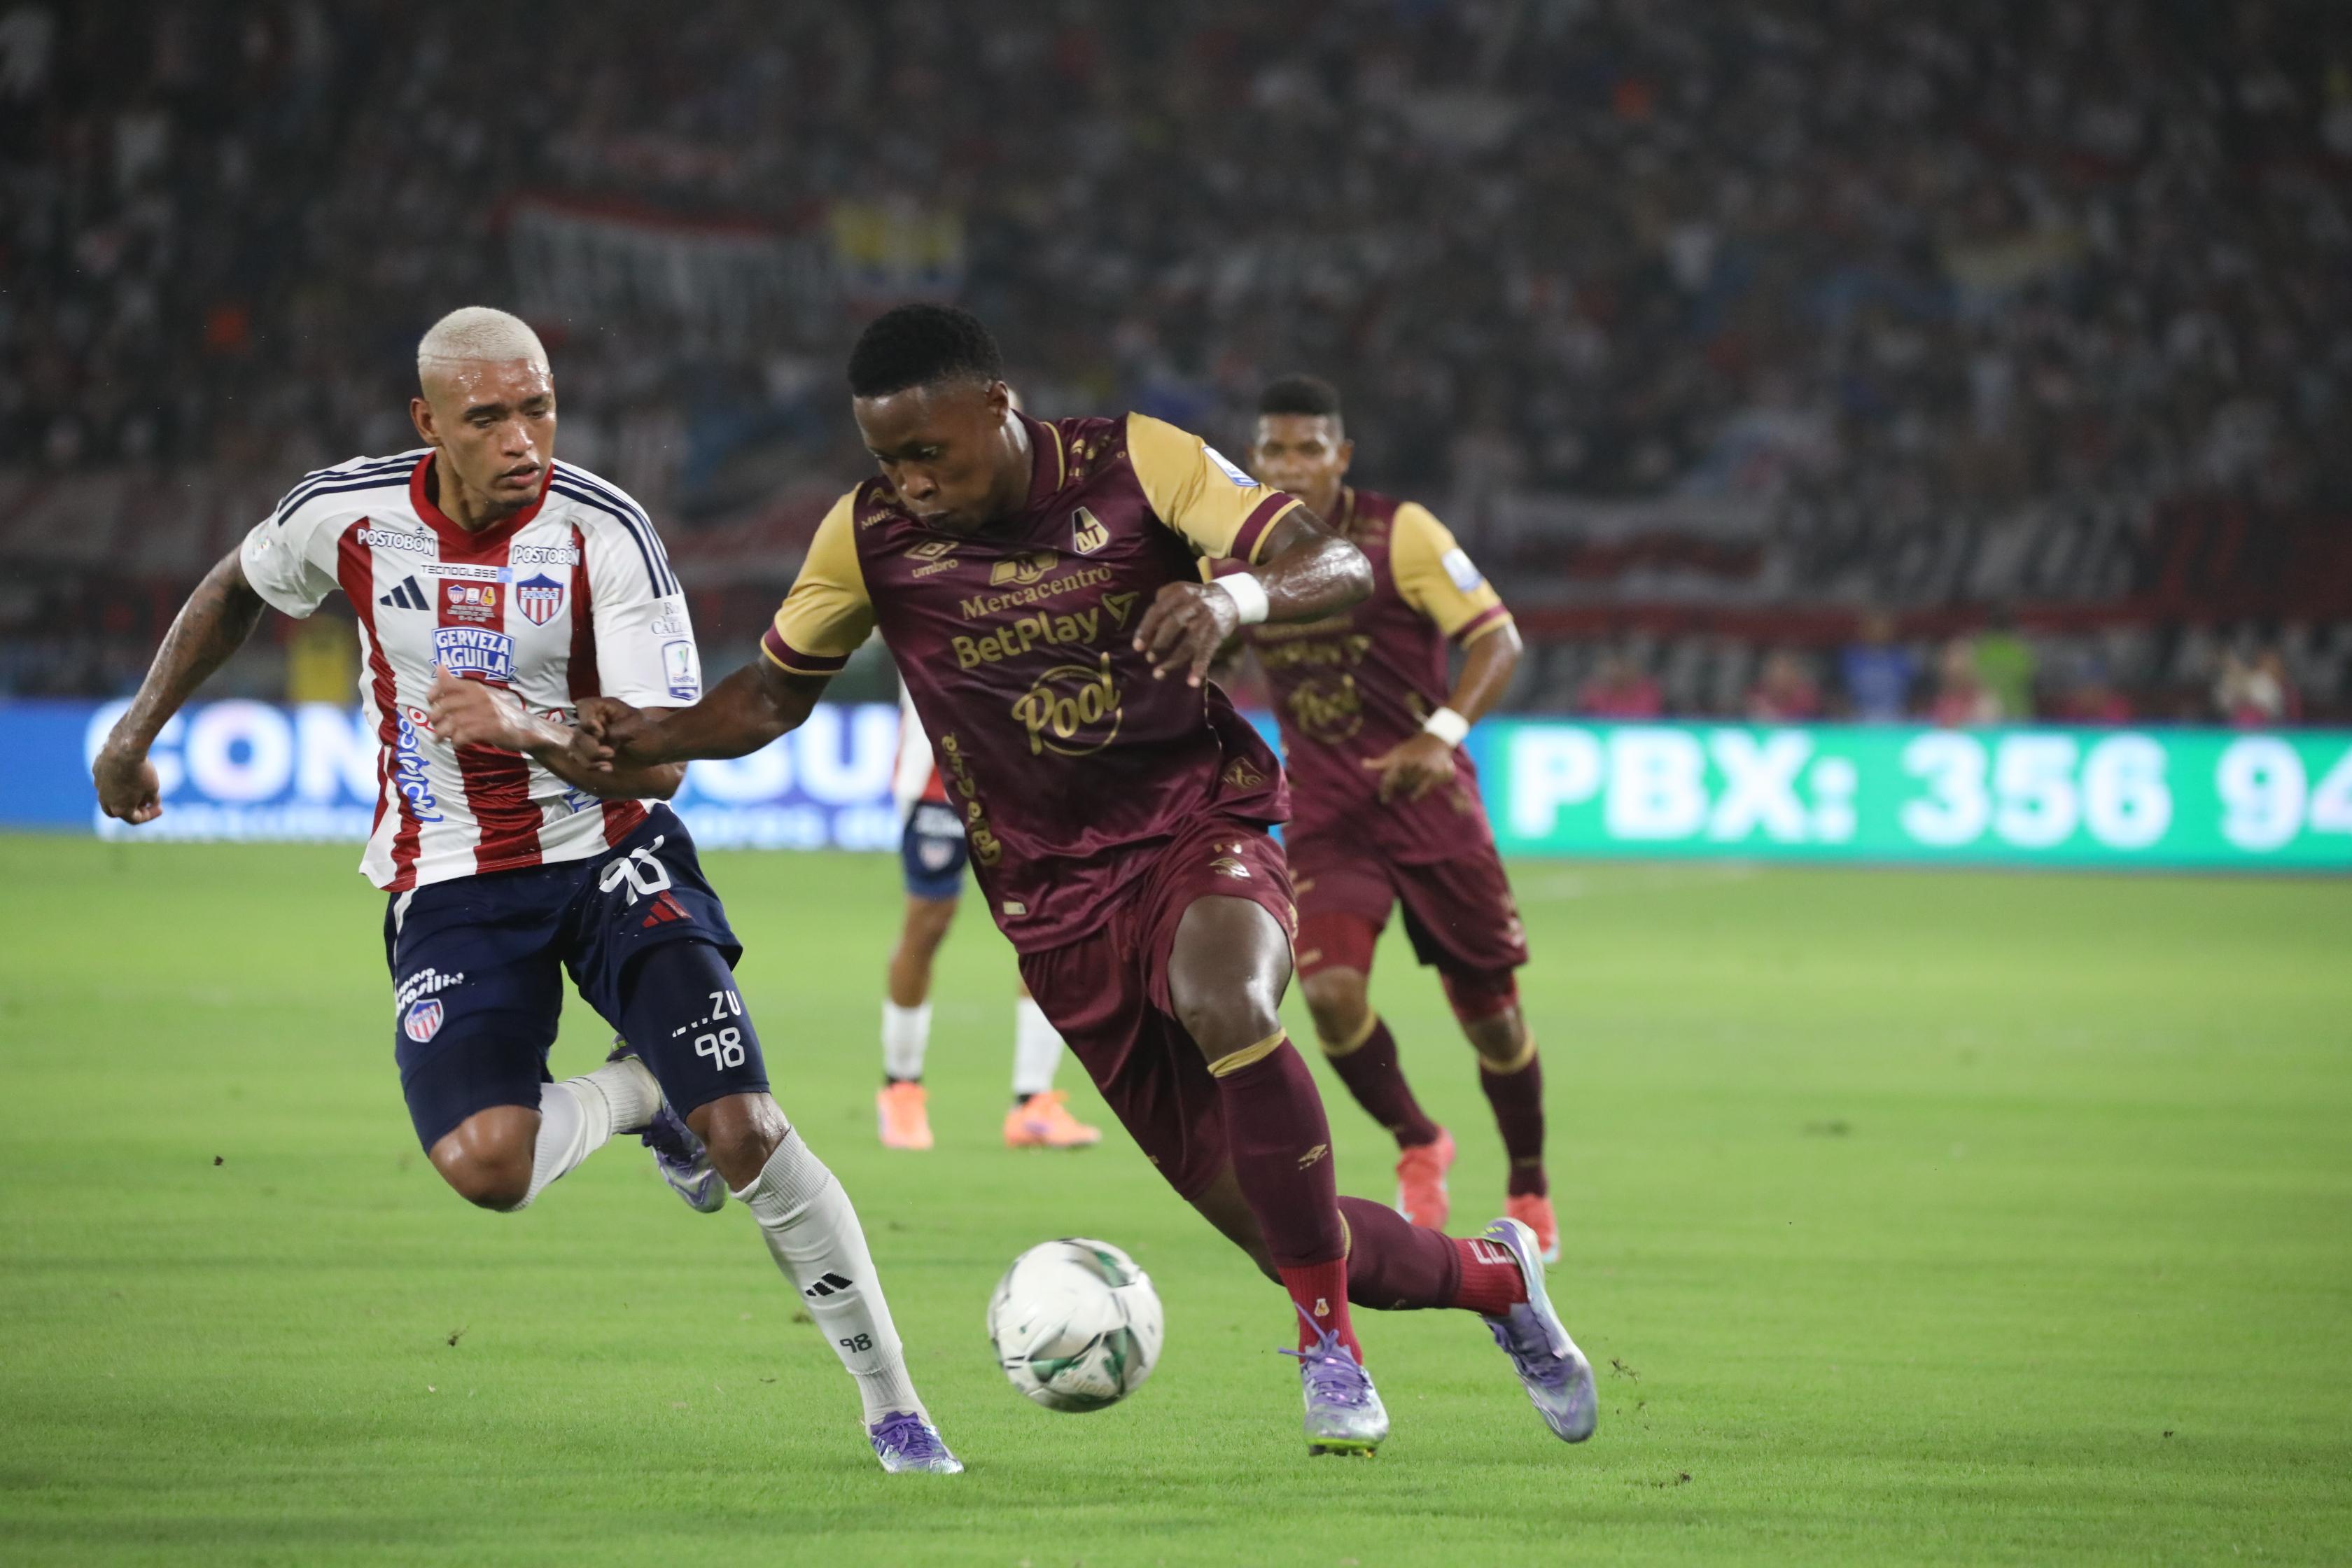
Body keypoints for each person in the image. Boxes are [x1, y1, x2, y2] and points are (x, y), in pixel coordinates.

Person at [576, 304, 1597, 1458]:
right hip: (1053, 907)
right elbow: (768, 698)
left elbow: (1331, 558)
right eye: (885, 460)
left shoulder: (1132, 462)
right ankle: (1491, 1281)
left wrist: (1230, 596)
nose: (908, 482)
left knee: (1231, 999)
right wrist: (639, 736)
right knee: (1283, 1229)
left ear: (998, 411)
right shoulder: (864, 540)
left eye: (928, 452)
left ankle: (1329, 1348)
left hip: (1196, 823)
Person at [88, 307, 959, 1476]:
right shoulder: (345, 514)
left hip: (614, 851)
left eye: (537, 406)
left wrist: (527, 725)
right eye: (487, 416)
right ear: (429, 422)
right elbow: (240, 585)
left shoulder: (606, 535)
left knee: (745, 1122)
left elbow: (659, 761)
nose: (521, 438)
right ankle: (642, 1099)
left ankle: (896, 1411)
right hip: (448, 876)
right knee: (490, 1167)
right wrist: (137, 732)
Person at [1236, 374, 1553, 1262]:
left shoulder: (1401, 531)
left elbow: (1498, 638)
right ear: (1255, 459)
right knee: (1332, 995)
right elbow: (1212, 649)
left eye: (1308, 448)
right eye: (1274, 449)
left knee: (1491, 1015)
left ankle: (1529, 1182)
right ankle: (1419, 1138)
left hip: (1430, 805)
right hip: (1329, 812)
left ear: (1341, 456)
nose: (1290, 465)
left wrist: (1440, 733)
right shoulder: (1239, 549)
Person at [877, 679, 1102, 1152]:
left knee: (1048, 928)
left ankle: (1032, 1102)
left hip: (1027, 774)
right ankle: (901, 1088)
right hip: (938, 775)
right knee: (928, 925)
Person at [1838, 610, 1915, 722]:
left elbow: (1914, 694)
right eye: (1873, 626)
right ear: (1863, 629)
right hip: (1856, 718)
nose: (1878, 631)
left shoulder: (1903, 659)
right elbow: (1838, 693)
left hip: (1897, 718)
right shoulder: (1848, 659)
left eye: (1882, 627)